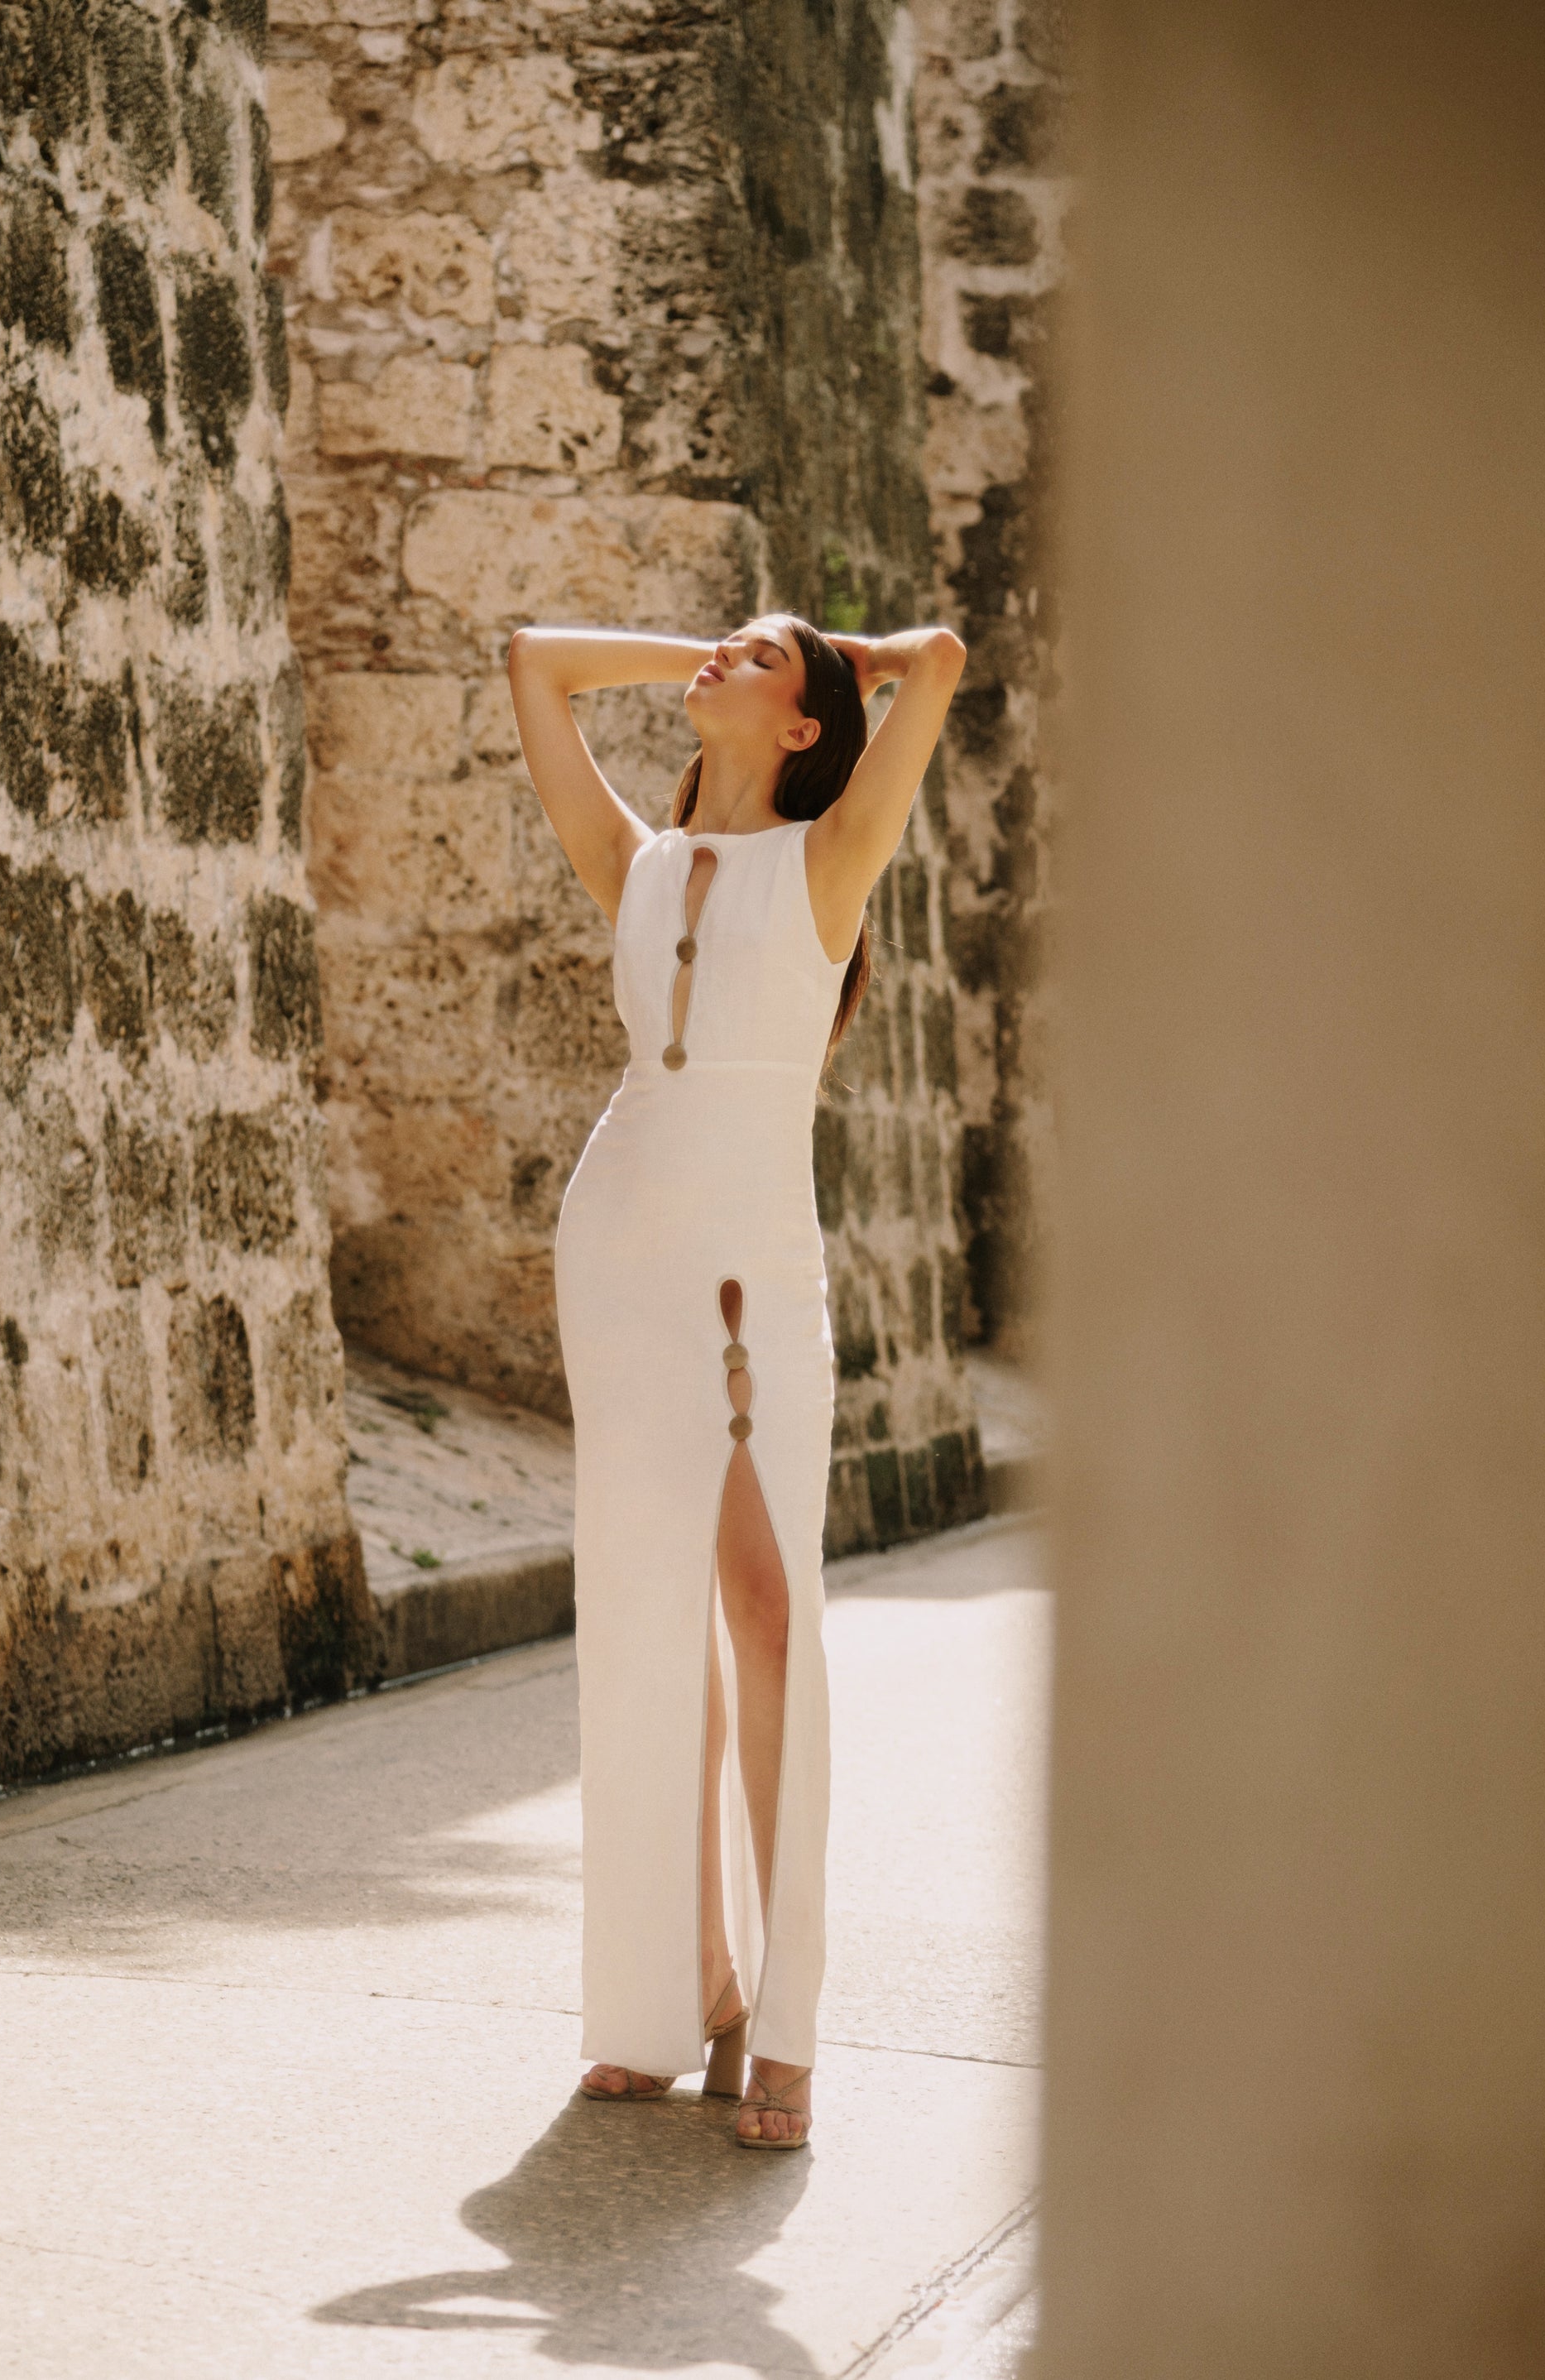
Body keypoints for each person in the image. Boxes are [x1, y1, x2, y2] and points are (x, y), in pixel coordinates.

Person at [507, 612, 966, 2147]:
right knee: (648, 1616)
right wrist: (721, 654)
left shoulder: (829, 861)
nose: (720, 659)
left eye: (757, 659)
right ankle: (675, 1991)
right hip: (619, 1251)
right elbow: (534, 660)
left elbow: (943, 659)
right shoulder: (636, 866)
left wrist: (848, 653)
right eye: (726, 646)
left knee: (766, 1611)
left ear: (807, 727)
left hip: (754, 1269)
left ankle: (783, 2020)